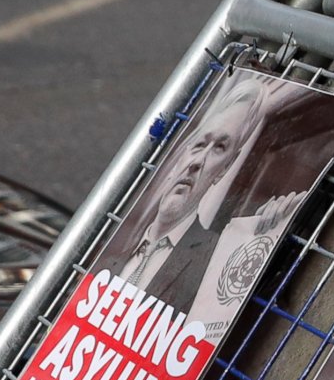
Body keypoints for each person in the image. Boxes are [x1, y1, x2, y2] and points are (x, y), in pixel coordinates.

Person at [109, 75, 306, 315]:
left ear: (225, 167)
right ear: (183, 152)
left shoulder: (214, 258)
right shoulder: (117, 234)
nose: (198, 162)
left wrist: (269, 240)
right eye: (200, 144)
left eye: (220, 148)